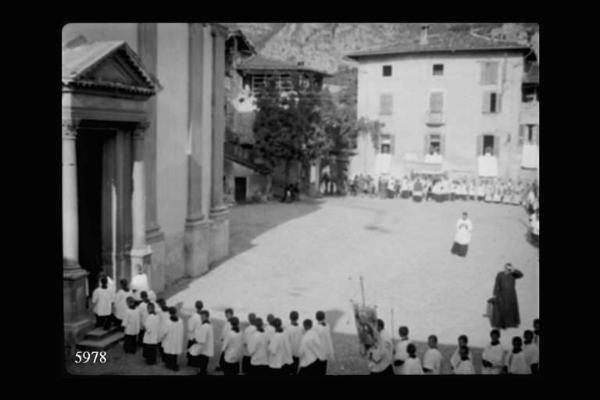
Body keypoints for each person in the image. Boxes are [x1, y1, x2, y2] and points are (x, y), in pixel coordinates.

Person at [491, 263, 524, 329]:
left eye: (509, 268)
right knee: (502, 309)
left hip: (511, 295)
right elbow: (497, 284)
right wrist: (495, 294)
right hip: (502, 295)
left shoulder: (513, 274)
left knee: (512, 309)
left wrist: (513, 270)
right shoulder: (500, 274)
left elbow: (521, 275)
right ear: (504, 267)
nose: (507, 269)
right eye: (506, 267)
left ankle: (513, 323)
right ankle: (503, 324)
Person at [191, 310, 214, 375]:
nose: (201, 317)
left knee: (202, 360)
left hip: (204, 346)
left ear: (206, 316)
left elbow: (202, 339)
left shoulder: (205, 326)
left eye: (202, 316)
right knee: (205, 359)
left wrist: (195, 340)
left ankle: (202, 372)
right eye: (201, 316)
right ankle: (204, 370)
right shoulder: (209, 324)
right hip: (207, 345)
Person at [161, 307, 184, 372]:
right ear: (176, 312)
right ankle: (174, 364)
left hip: (169, 340)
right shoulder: (180, 321)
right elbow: (182, 330)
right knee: (174, 354)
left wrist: (161, 338)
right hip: (177, 340)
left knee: (169, 353)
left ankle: (169, 365)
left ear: (169, 313)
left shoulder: (167, 322)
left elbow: (164, 332)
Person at [314, 310, 334, 375]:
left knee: (317, 370)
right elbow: (328, 340)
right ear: (324, 317)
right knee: (323, 369)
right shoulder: (327, 325)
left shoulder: (316, 328)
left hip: (317, 353)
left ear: (316, 318)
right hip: (325, 352)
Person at [187, 300, 204, 368]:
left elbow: (190, 328)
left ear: (195, 307)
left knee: (191, 349)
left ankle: (191, 362)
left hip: (193, 336)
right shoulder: (204, 315)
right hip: (201, 336)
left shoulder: (194, 316)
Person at [286, 311, 303, 375]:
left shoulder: (287, 329)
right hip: (297, 354)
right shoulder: (301, 329)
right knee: (295, 372)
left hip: (289, 355)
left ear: (289, 317)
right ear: (298, 318)